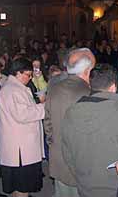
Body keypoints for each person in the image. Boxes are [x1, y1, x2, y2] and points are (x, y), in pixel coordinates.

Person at [61, 64, 118, 197]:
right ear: (114, 87)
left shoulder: (70, 112)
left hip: (85, 186)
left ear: (90, 85)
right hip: (117, 188)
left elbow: (67, 154)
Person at [44, 48, 96, 197]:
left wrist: (53, 143)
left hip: (59, 157)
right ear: (87, 70)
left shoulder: (54, 88)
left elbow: (47, 123)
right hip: (81, 162)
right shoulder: (88, 93)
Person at [0, 58, 46, 197]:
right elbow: (23, 114)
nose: (30, 78)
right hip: (21, 152)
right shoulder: (13, 90)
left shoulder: (14, 88)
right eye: (28, 74)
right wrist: (44, 107)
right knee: (22, 188)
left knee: (20, 188)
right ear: (18, 73)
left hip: (21, 148)